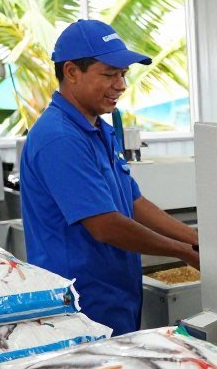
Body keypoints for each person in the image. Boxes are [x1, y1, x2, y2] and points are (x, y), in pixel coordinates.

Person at [21, 19, 199, 336]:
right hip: (78, 304)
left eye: (123, 75)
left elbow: (134, 201)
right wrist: (182, 252)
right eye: (109, 74)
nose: (121, 85)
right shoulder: (60, 138)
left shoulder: (100, 129)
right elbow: (104, 226)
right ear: (72, 72)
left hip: (114, 292)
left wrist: (194, 238)